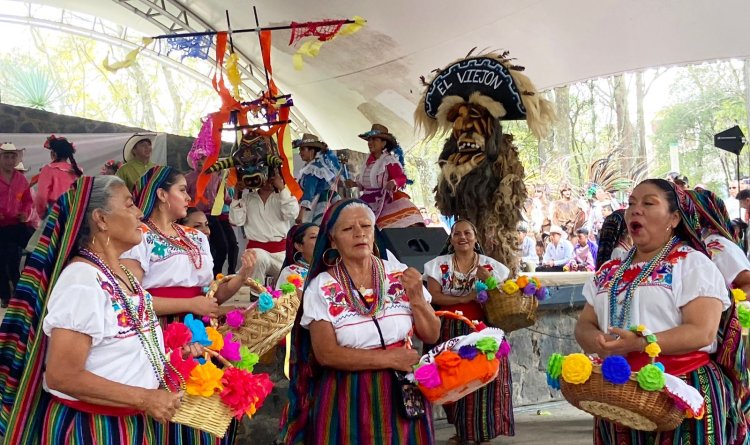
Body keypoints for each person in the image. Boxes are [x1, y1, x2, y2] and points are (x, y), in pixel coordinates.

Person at [0, 176, 182, 444]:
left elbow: (122, 344)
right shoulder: (83, 282)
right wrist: (146, 397)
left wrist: (171, 352)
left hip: (128, 421)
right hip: (92, 429)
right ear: (101, 219)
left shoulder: (121, 275)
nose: (140, 213)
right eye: (130, 205)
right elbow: (62, 375)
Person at [574, 178, 747, 444]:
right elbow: (585, 323)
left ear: (674, 218)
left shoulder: (692, 263)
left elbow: (703, 331)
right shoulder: (610, 269)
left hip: (681, 391)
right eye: (631, 204)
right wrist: (599, 343)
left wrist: (642, 344)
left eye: (648, 203)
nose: (635, 210)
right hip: (616, 393)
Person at [279, 199, 440, 444]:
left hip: (404, 393)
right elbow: (326, 354)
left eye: (366, 226)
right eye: (348, 229)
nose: (359, 233)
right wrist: (389, 358)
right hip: (348, 395)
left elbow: (431, 335)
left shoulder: (400, 274)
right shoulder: (321, 287)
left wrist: (417, 296)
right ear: (332, 239)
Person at [121, 166, 254, 444]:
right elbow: (132, 300)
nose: (189, 197)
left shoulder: (196, 237)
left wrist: (241, 278)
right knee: (171, 409)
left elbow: (211, 297)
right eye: (182, 190)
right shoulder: (139, 236)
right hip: (160, 331)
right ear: (161, 194)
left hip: (202, 331)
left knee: (205, 406)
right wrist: (191, 303)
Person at [423, 219, 514, 445]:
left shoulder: (490, 266)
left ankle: (480, 433)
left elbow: (502, 295)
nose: (462, 237)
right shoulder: (438, 264)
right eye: (457, 234)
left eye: (467, 233)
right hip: (448, 328)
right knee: (453, 377)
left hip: (480, 329)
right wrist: (464, 298)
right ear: (451, 239)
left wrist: (489, 281)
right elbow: (433, 296)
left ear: (475, 238)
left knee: (481, 378)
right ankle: (462, 431)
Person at [346, 124, 424, 228]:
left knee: (406, 220)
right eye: (369, 140)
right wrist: (354, 184)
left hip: (385, 199)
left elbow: (402, 178)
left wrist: (393, 182)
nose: (370, 143)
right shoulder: (367, 162)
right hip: (367, 200)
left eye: (374, 140)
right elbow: (366, 184)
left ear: (383, 143)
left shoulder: (388, 160)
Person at [229, 173, 299, 283]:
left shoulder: (283, 197)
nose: (268, 181)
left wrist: (281, 187)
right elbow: (236, 220)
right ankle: (256, 294)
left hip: (281, 254)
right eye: (264, 176)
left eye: (271, 177)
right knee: (258, 257)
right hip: (256, 252)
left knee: (293, 281)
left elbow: (292, 214)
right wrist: (237, 193)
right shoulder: (247, 198)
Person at [185, 155, 238, 276]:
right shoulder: (188, 178)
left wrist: (239, 200)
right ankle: (200, 274)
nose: (200, 161)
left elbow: (225, 197)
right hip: (194, 218)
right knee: (200, 248)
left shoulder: (215, 177)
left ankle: (216, 275)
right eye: (197, 158)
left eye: (204, 159)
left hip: (212, 216)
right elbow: (183, 197)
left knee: (223, 247)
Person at [0, 143, 32, 308]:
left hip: (16, 225)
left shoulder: (21, 179)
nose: (10, 160)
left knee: (35, 248)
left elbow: (27, 201)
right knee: (2, 261)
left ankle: (20, 293)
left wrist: (25, 213)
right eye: (6, 156)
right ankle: (6, 296)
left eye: (13, 156)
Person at [294, 134, 342, 224]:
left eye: (303, 149)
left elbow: (309, 191)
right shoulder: (311, 167)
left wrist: (301, 213)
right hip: (317, 203)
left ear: (312, 151)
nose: (300, 152)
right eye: (300, 150)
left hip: (316, 205)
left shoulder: (313, 169)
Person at [35, 135, 83, 218]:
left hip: (55, 211)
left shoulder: (48, 169)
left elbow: (42, 196)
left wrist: (41, 212)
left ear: (54, 153)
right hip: (75, 212)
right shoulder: (78, 171)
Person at [276, 223, 318, 292]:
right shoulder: (290, 273)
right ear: (299, 246)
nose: (320, 240)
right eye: (313, 237)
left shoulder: (331, 271)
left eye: (321, 237)